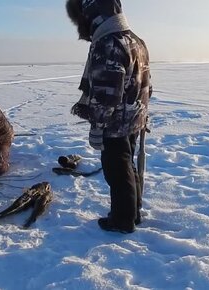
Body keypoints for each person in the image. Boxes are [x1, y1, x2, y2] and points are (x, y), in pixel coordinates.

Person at [66, 0, 152, 233]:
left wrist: (98, 126)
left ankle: (122, 220)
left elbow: (106, 93)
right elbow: (147, 84)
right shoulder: (135, 39)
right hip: (134, 116)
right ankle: (133, 212)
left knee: (117, 169)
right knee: (127, 163)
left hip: (115, 122)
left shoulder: (108, 43)